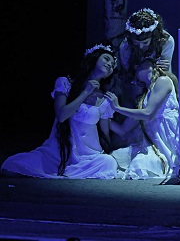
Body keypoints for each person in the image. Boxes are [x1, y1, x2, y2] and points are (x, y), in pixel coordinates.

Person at [1, 45, 118, 179]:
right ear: (94, 58)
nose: (110, 64)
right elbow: (62, 115)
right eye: (106, 59)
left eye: (112, 65)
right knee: (10, 166)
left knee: (108, 163)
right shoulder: (65, 83)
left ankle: (74, 172)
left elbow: (105, 133)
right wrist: (86, 92)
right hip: (59, 151)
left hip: (88, 156)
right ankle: (62, 170)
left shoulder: (105, 100)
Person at [105, 57, 180, 180]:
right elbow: (122, 130)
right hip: (152, 142)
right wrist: (100, 116)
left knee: (140, 164)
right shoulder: (145, 97)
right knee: (116, 157)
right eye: (136, 67)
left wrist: (118, 108)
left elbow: (148, 113)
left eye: (142, 65)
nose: (137, 68)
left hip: (167, 143)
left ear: (153, 66)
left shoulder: (163, 81)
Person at [109, 8, 175, 150]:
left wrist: (117, 108)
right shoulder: (126, 48)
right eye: (136, 43)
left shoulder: (166, 42)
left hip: (158, 88)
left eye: (145, 42)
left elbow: (165, 72)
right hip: (136, 88)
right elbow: (122, 129)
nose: (140, 46)